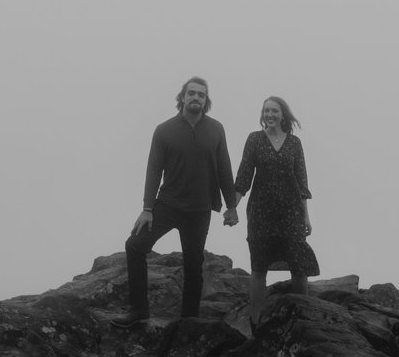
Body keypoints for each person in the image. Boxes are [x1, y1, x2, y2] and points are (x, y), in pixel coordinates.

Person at [113, 76, 240, 328]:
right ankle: (139, 310)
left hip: (200, 209)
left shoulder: (216, 129)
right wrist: (147, 208)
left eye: (201, 95)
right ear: (182, 97)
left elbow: (224, 167)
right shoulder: (164, 130)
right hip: (168, 204)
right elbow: (153, 169)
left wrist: (231, 206)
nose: (196, 98)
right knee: (135, 246)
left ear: (206, 100)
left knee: (194, 264)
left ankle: (189, 321)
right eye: (191, 93)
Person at [234, 95, 318, 324]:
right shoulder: (254, 140)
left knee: (299, 264)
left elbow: (302, 183)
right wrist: (233, 208)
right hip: (261, 212)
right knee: (259, 266)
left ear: (283, 115)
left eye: (274, 111)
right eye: (266, 111)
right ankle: (255, 321)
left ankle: (304, 317)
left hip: (291, 212)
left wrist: (306, 217)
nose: (269, 115)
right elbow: (243, 178)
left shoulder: (294, 143)